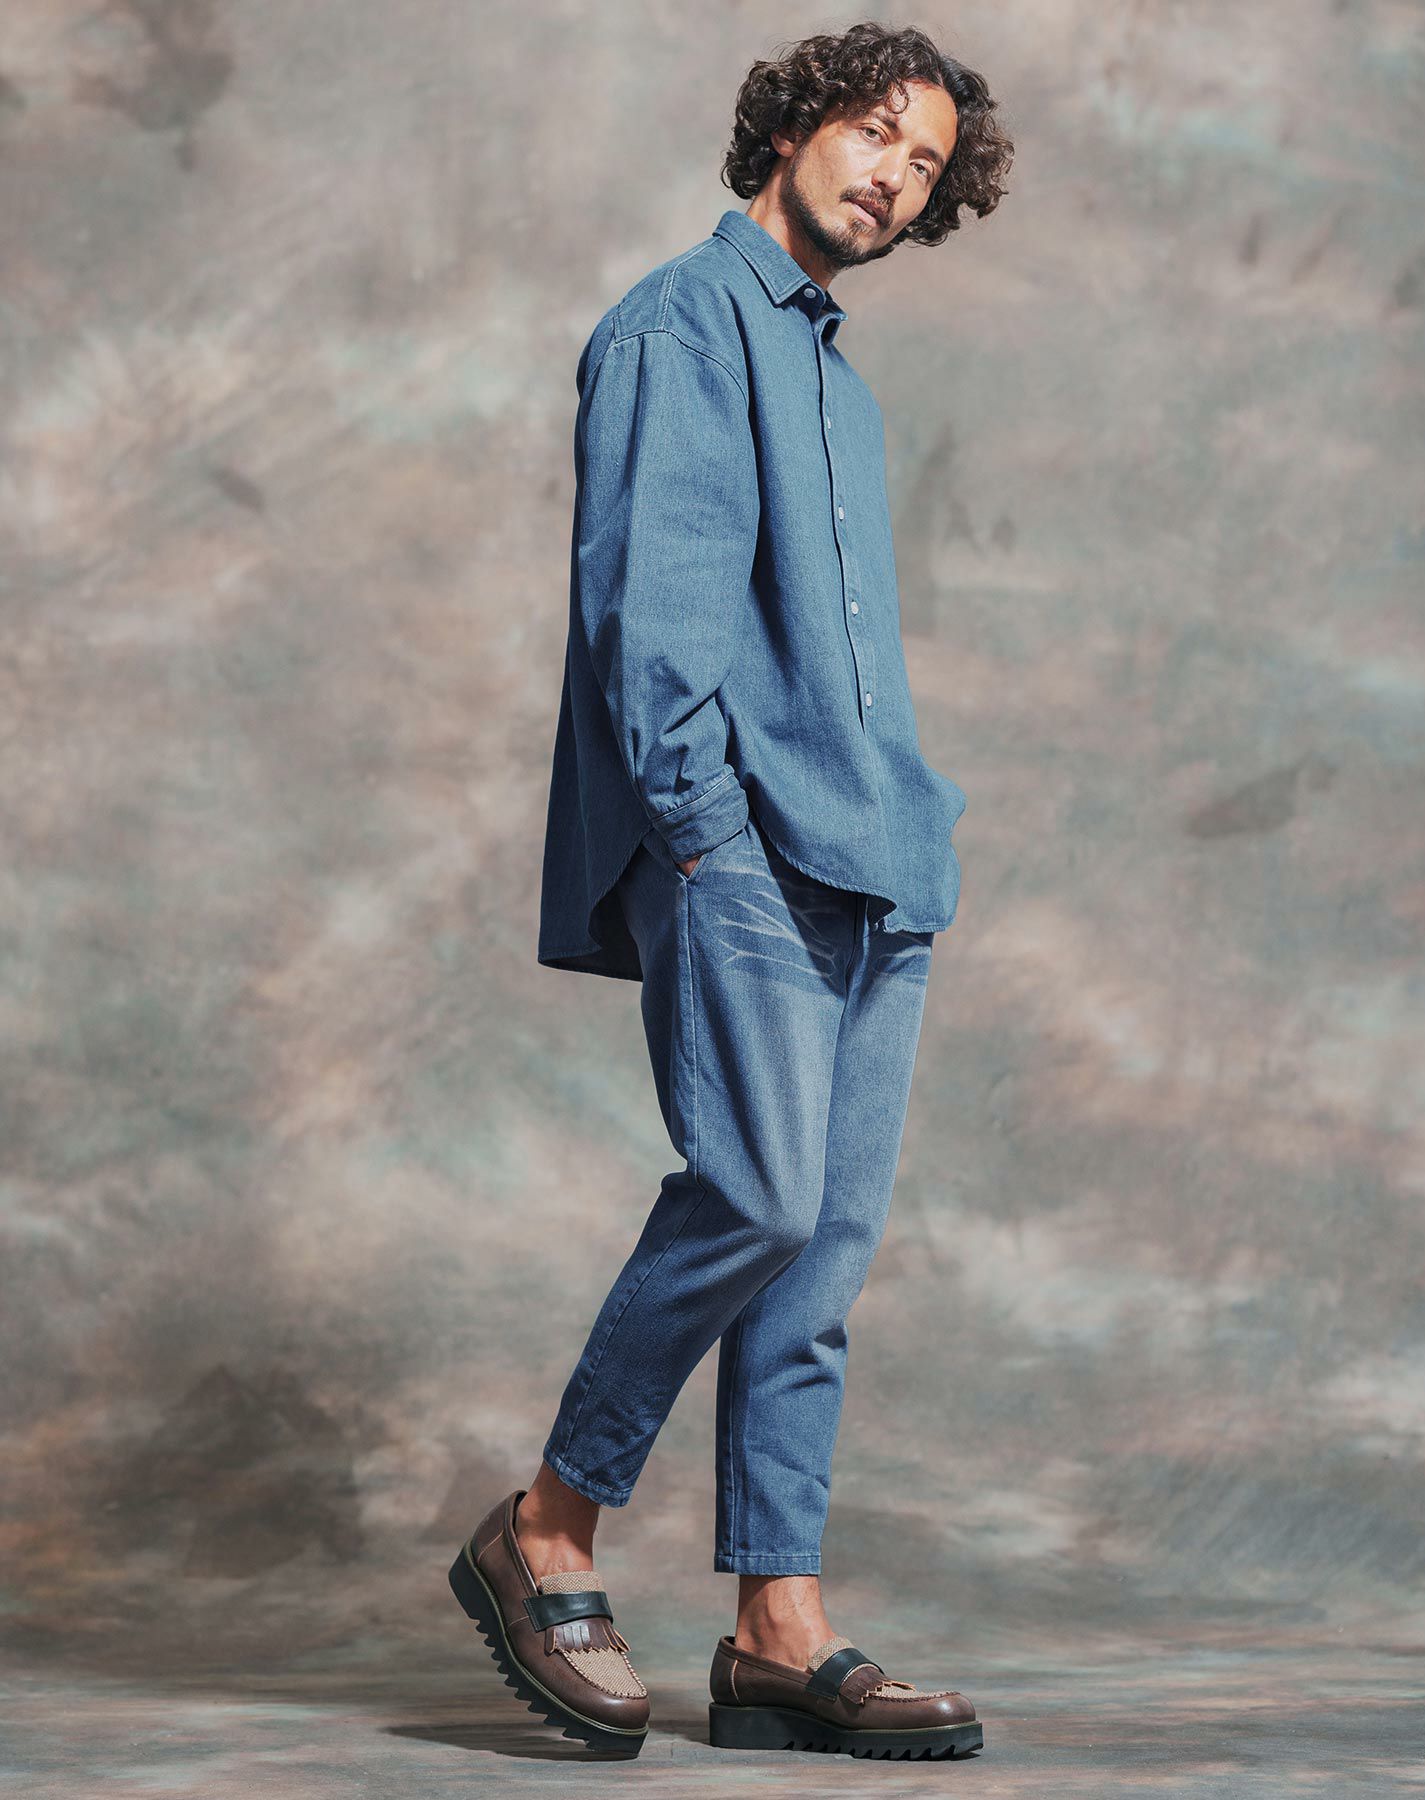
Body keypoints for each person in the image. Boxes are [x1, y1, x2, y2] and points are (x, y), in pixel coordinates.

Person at [449, 20, 1012, 1761]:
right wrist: (706, 844)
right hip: (744, 853)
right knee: (758, 1197)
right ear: (793, 126)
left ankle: (778, 1627)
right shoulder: (678, 326)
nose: (892, 178)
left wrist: (917, 841)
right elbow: (656, 630)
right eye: (875, 134)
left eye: (925, 166)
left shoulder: (841, 388)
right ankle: (547, 1524)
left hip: (878, 867)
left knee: (816, 1264)